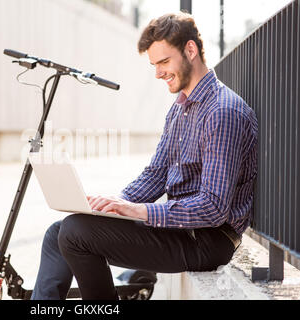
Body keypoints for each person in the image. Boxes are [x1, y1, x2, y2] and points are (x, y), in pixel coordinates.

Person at [31, 11, 258, 300]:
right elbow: (156, 174)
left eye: (164, 62)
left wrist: (138, 211)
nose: (158, 73)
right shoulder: (181, 108)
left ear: (190, 50)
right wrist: (115, 206)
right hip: (180, 230)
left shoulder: (222, 112)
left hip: (207, 240)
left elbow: (213, 207)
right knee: (58, 233)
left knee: (75, 233)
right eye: (154, 64)